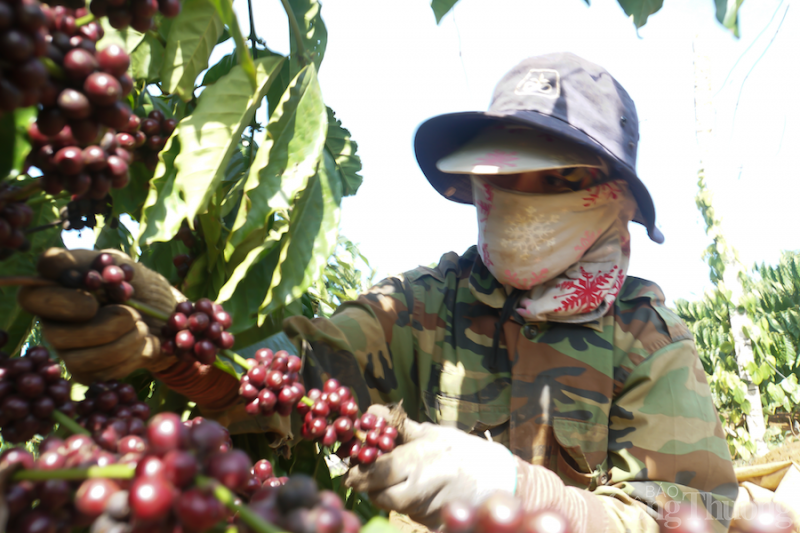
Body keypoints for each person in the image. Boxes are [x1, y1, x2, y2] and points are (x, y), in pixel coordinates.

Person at [18, 53, 738, 533]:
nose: (517, 199)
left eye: (553, 180)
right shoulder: (425, 303)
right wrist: (175, 339)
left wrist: (536, 498)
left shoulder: (647, 337)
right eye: (501, 178)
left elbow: (685, 516)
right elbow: (296, 376)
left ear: (613, 201)